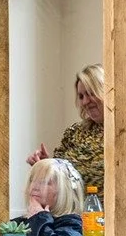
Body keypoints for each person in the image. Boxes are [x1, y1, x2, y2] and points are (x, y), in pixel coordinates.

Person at [26, 63, 105, 197]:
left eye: (90, 93)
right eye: (81, 96)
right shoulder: (74, 133)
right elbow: (59, 183)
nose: (85, 101)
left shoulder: (123, 133)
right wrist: (45, 165)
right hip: (72, 215)